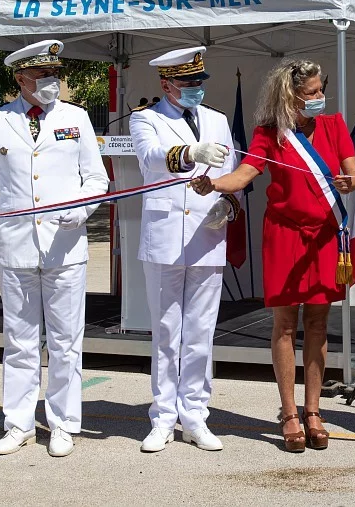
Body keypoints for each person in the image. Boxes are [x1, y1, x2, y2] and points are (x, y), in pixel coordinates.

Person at [192, 59, 355, 453]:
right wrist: (214, 183)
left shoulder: (334, 125)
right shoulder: (270, 134)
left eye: (321, 91)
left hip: (324, 236)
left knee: (318, 322)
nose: (319, 98)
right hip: (284, 234)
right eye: (311, 94)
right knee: (285, 324)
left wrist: (348, 181)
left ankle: (314, 411)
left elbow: (354, 173)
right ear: (290, 97)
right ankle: (288, 413)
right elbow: (246, 174)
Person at [0, 40, 109, 457]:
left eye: (54, 75)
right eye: (43, 76)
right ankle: (19, 423)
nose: (52, 82)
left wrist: (81, 211)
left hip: (64, 246)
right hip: (17, 245)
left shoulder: (75, 117)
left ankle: (63, 423)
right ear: (21, 79)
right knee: (20, 341)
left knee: (65, 341)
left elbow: (96, 179)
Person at [129, 46, 239, 454]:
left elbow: (228, 175)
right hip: (165, 237)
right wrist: (192, 154)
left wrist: (227, 204)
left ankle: (194, 414)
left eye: (199, 82)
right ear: (166, 84)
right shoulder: (147, 118)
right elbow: (151, 158)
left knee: (200, 332)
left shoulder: (217, 120)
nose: (195, 89)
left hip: (207, 234)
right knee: (166, 332)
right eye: (187, 83)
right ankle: (162, 416)